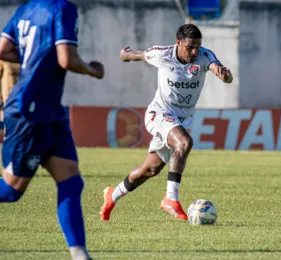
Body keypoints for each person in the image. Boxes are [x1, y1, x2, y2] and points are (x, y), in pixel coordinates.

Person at [0, 1, 104, 259]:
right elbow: (66, 58)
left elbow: (3, 49)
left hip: (50, 112)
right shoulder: (62, 9)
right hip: (30, 109)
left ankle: (80, 254)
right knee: (11, 191)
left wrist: (32, 58)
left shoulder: (25, 9)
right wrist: (91, 70)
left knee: (71, 180)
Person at [100, 24, 232, 222]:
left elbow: (220, 71)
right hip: (159, 113)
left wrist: (225, 74)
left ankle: (113, 195)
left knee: (150, 170)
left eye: (198, 46)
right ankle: (170, 198)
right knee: (184, 143)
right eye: (190, 47)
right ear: (178, 42)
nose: (195, 52)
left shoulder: (205, 56)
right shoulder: (162, 54)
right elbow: (138, 55)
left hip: (180, 120)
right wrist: (124, 55)